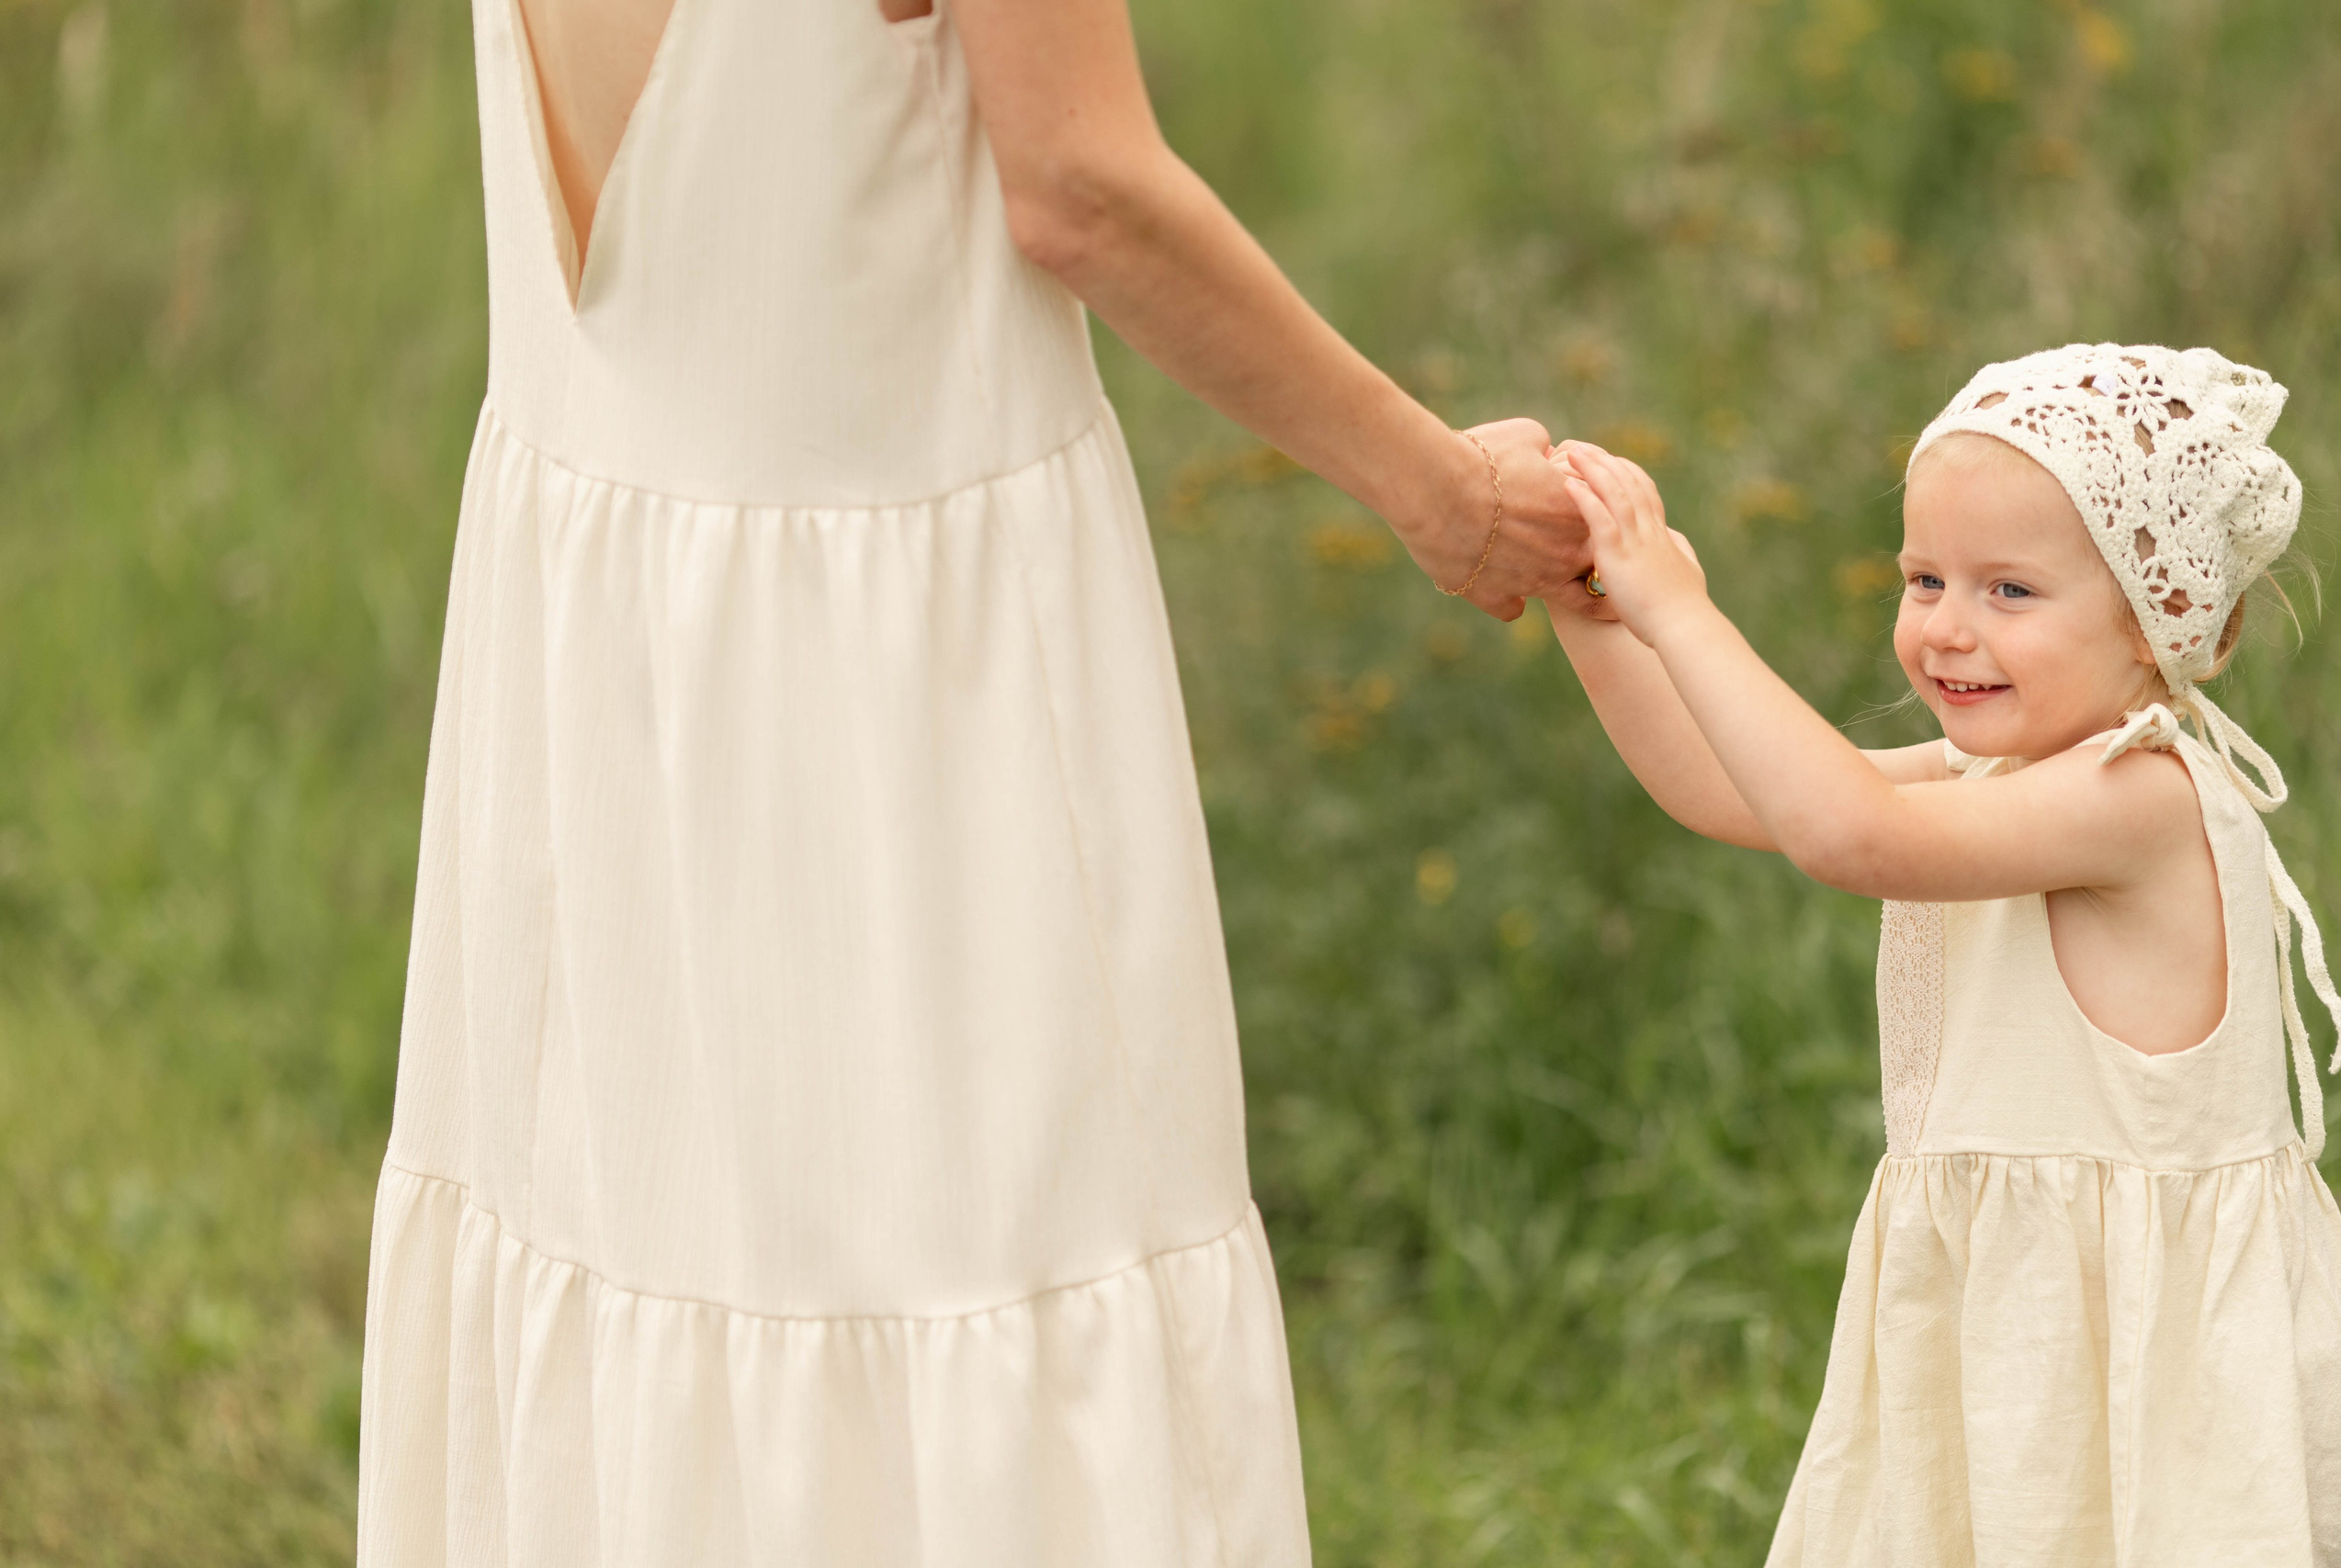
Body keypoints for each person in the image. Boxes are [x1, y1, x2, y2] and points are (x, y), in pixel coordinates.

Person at [355, 0, 1589, 1559]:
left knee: (640, 1247)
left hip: (605, 636)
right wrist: (1442, 491)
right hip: (905, 690)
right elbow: (1082, 191)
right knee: (986, 1257)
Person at [1544, 344, 2341, 1562]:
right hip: (2017, 1329)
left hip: (2142, 1369)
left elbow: (1842, 832)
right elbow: (1729, 791)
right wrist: (1598, 612)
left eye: (2009, 591)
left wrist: (1683, 611)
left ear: (2168, 620)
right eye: (1924, 578)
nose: (1946, 629)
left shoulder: (2136, 797)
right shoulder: (2005, 775)